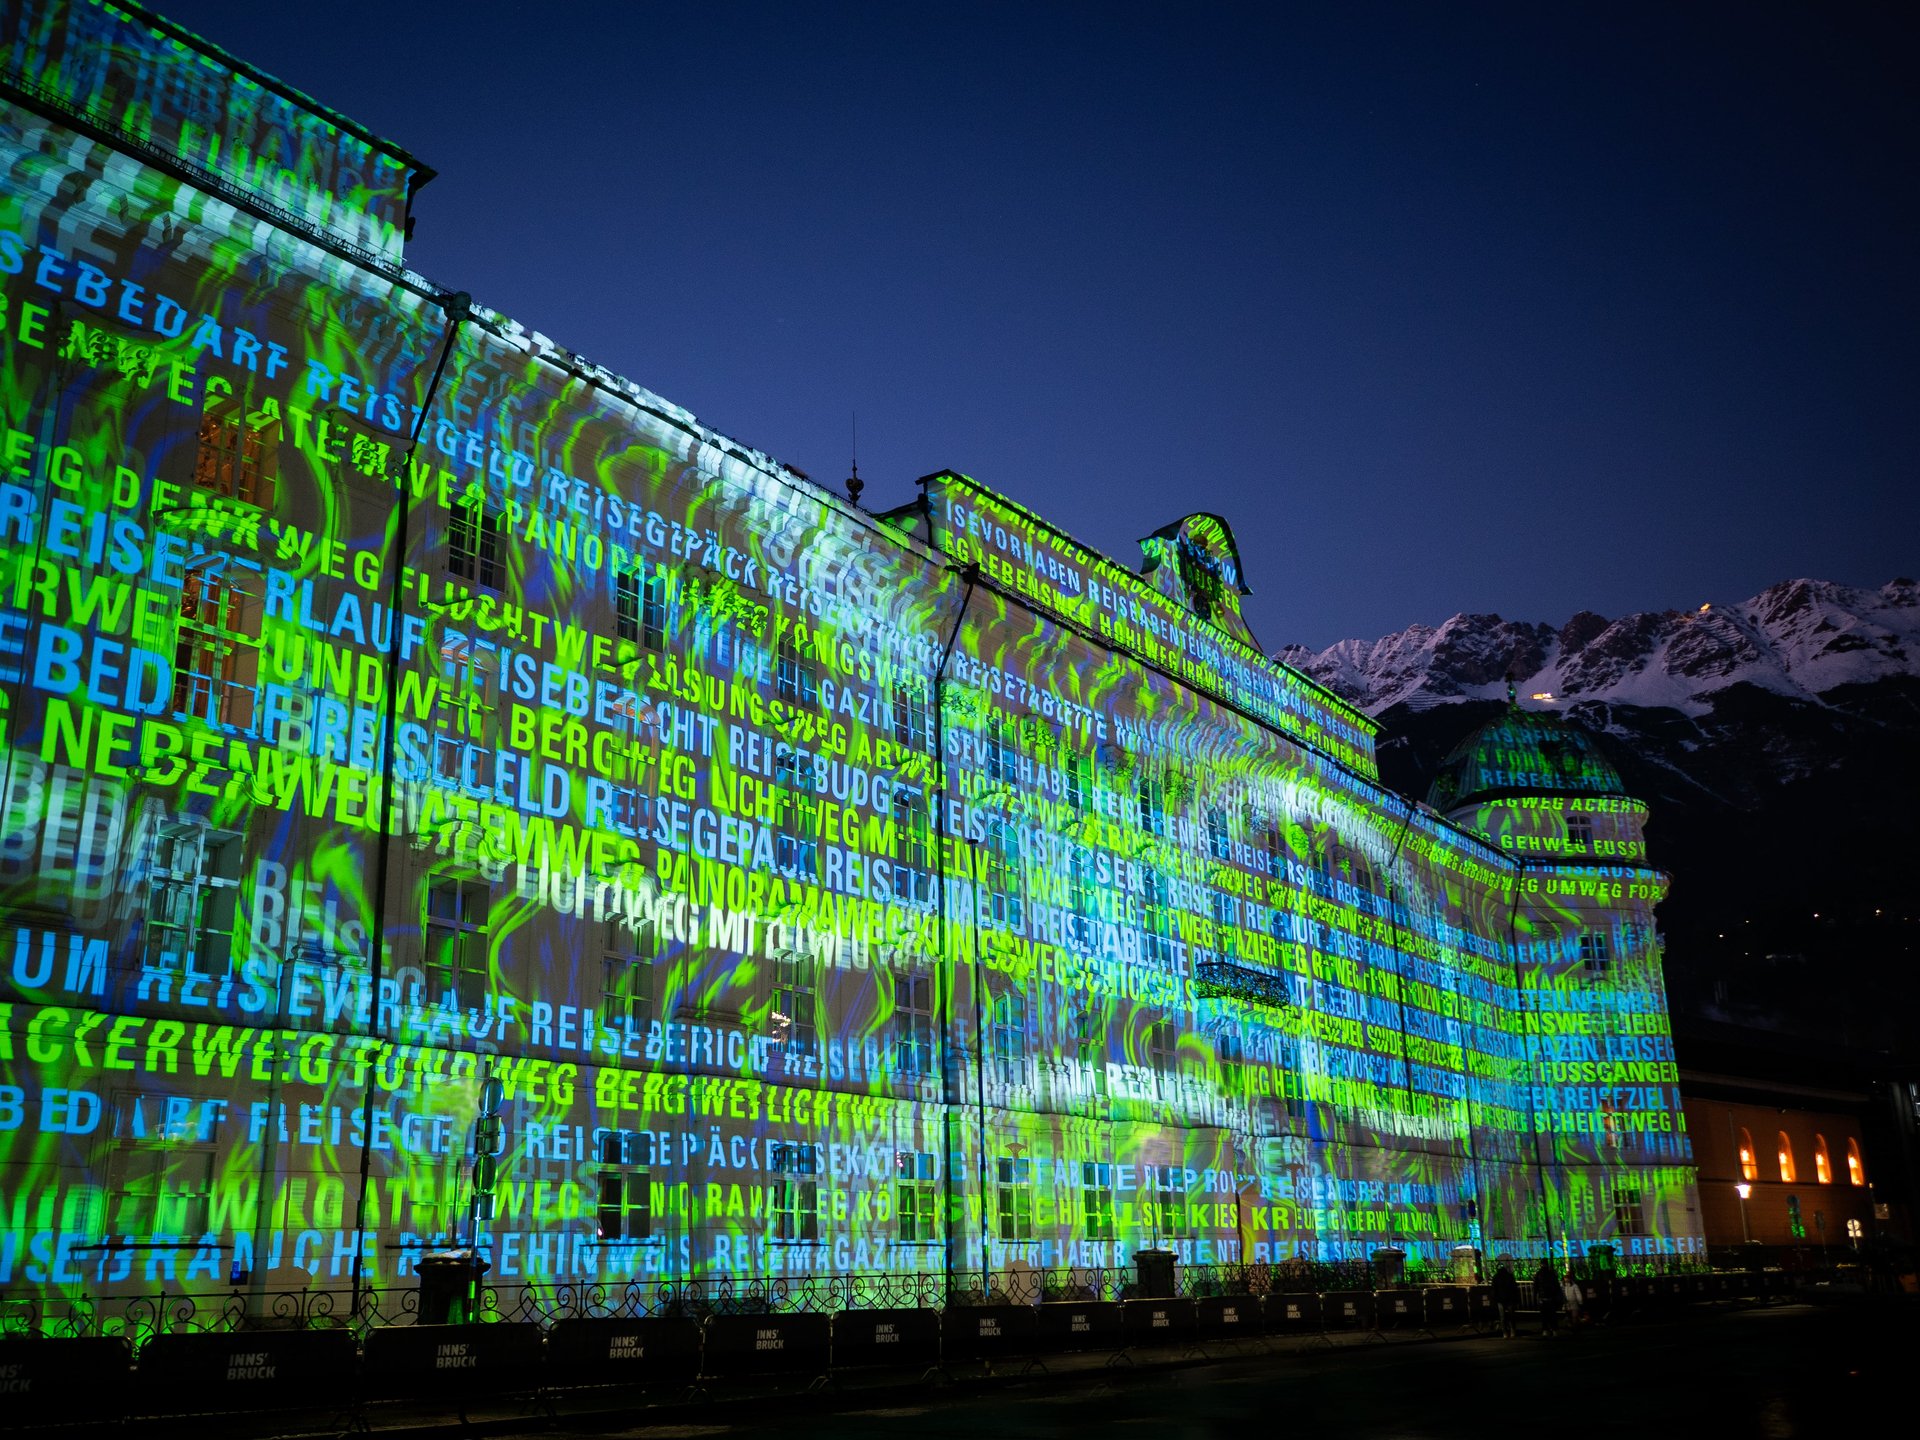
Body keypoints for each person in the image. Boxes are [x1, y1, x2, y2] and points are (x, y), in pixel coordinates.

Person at [1491, 1259, 1520, 1338]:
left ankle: (1505, 1332)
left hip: (1501, 1299)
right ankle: (1512, 1330)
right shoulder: (1509, 1276)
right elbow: (1514, 1288)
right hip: (1509, 1298)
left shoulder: (1496, 1277)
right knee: (1511, 1316)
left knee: (1503, 1317)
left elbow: (1494, 1289)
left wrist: (1495, 1299)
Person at [1534, 1260, 1562, 1338]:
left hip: (1542, 1298)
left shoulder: (1538, 1274)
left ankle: (1545, 1330)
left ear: (1541, 1265)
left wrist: (1535, 1297)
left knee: (1544, 1315)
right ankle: (1554, 1330)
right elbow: (1556, 1286)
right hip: (1551, 1297)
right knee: (1552, 1314)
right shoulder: (1552, 1273)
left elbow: (1535, 1287)